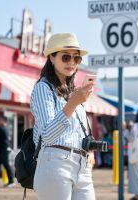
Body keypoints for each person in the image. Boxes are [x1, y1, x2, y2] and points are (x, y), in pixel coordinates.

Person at [31, 33, 96, 200]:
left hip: (82, 166)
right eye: (66, 57)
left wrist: (89, 149)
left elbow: (78, 131)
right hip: (55, 162)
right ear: (51, 58)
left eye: (77, 59)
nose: (72, 62)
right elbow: (47, 136)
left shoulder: (73, 92)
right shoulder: (43, 88)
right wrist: (72, 104)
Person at [0, 116, 15, 188]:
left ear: (4, 121)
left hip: (4, 150)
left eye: (0, 120)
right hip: (2, 150)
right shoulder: (6, 128)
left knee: (6, 165)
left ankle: (11, 181)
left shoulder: (2, 128)